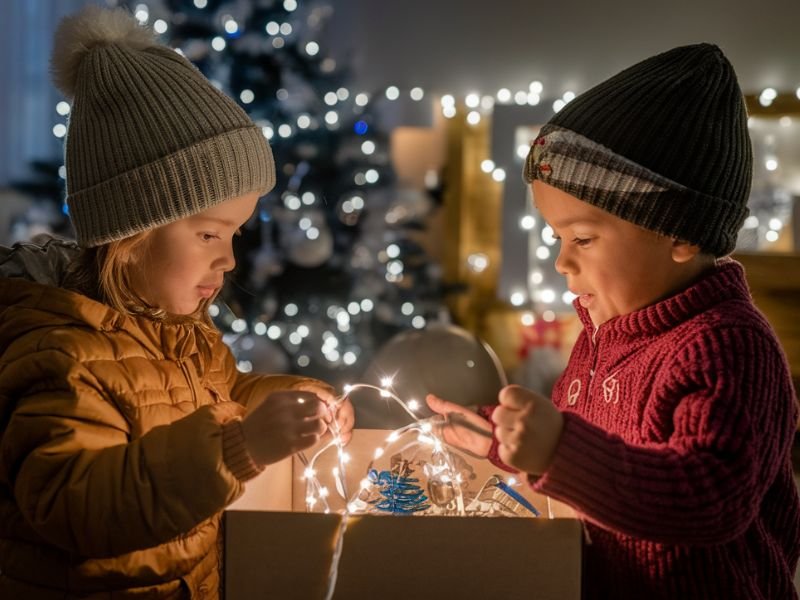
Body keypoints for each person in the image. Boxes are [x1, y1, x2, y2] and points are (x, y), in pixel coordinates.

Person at [0, 6, 353, 598]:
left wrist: (288, 400)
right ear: (131, 234)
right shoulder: (60, 353)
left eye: (235, 235)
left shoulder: (178, 332)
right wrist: (240, 448)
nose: (230, 260)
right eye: (210, 234)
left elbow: (226, 393)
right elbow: (76, 503)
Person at [428, 43, 800, 599]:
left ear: (680, 232)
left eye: (582, 238)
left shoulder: (730, 347)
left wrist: (558, 451)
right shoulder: (607, 335)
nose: (561, 261)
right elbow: (591, 449)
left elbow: (709, 497)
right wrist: (499, 437)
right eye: (557, 238)